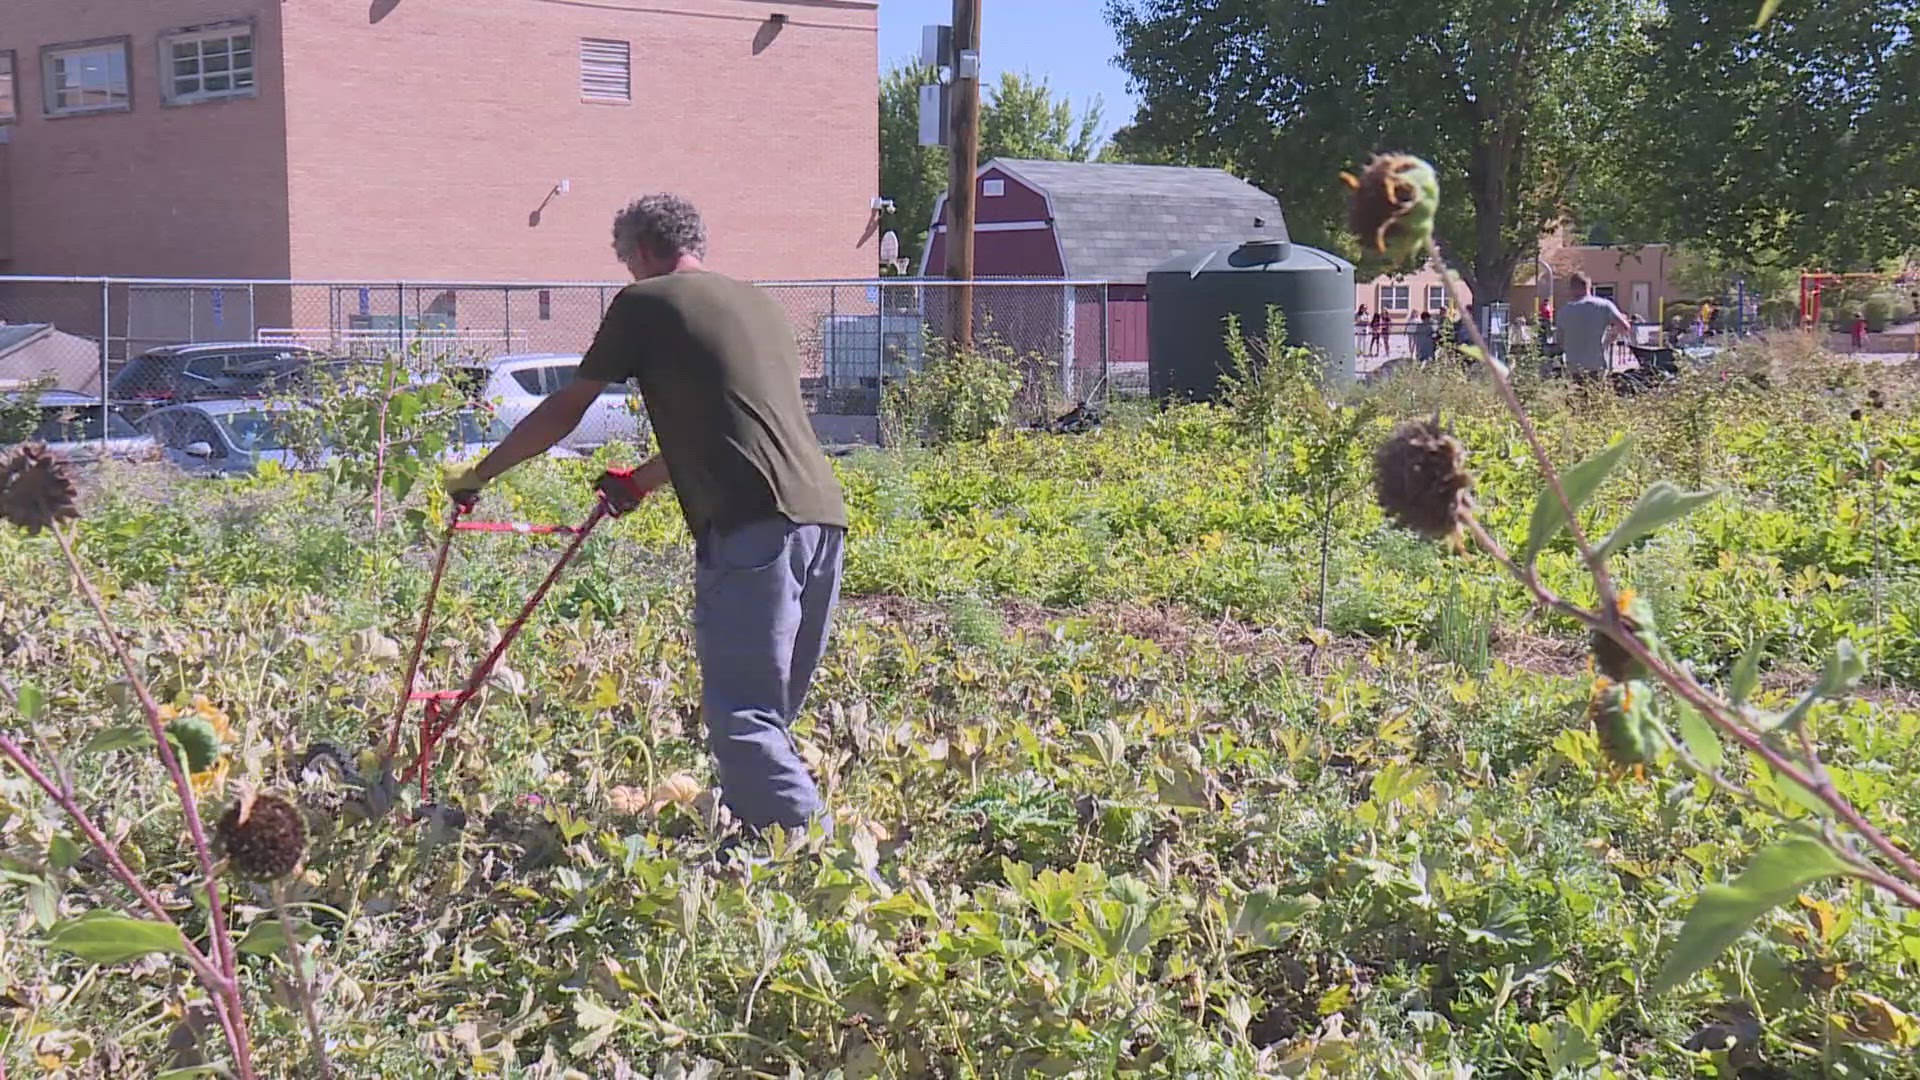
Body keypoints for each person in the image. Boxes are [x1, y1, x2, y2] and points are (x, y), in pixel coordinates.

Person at [445, 194, 848, 835]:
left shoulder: (646, 303)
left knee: (743, 715)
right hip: (821, 521)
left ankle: (812, 857)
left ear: (642, 253)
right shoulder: (759, 304)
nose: (628, 276)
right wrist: (643, 481)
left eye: (627, 263)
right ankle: (761, 841)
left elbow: (563, 410)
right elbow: (741, 427)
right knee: (768, 716)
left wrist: (479, 472)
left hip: (752, 528)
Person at [1553, 272, 1632, 383]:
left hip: (1574, 366)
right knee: (1596, 397)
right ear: (1588, 286)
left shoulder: (1563, 311)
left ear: (1572, 288)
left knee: (1577, 397)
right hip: (1597, 364)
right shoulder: (1604, 305)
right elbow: (1625, 327)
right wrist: (1611, 336)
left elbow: (1560, 342)